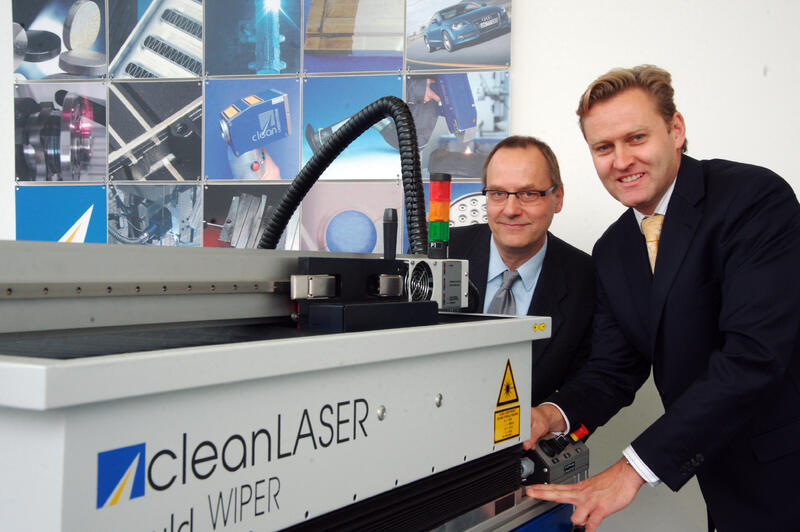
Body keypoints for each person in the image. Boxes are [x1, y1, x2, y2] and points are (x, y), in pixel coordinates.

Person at [525, 65, 800, 531]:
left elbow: (752, 356)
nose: (621, 161)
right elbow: (613, 369)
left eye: (636, 138)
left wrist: (631, 470)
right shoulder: (613, 249)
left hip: (787, 470)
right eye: (603, 148)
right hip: (723, 481)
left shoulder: (753, 199)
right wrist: (550, 415)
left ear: (676, 130)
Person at [450, 135, 594, 404]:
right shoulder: (443, 254)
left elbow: (594, 378)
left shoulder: (587, 280)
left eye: (528, 194)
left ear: (558, 198)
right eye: (498, 193)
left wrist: (550, 417)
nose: (511, 209)